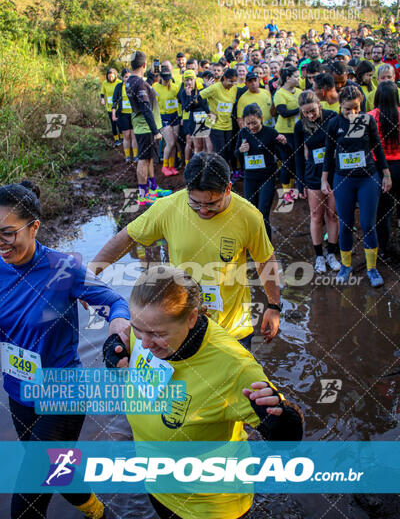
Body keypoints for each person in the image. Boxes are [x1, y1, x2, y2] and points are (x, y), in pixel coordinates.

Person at [109, 265, 303, 519]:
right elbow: (129, 336)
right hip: (156, 485)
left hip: (209, 506)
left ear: (191, 318)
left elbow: (289, 439)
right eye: (139, 329)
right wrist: (114, 344)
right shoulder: (147, 331)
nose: (144, 343)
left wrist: (279, 418)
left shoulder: (233, 366)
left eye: (157, 334)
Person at [0, 181, 130, 519]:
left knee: (27, 500)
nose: (1, 243)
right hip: (18, 393)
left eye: (8, 233)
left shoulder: (64, 269)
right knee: (56, 467)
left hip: (62, 392)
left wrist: (117, 331)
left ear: (35, 227)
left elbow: (115, 302)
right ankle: (101, 514)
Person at [90, 153, 282, 349]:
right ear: (187, 190)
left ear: (228, 189)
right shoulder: (168, 207)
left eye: (211, 204)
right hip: (182, 326)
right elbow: (128, 237)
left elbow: (265, 259)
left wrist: (274, 306)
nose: (203, 211)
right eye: (195, 204)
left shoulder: (248, 216)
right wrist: (89, 273)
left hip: (233, 330)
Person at [321, 85, 392, 287]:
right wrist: (324, 179)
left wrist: (386, 174)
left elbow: (377, 146)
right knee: (345, 224)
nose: (352, 113)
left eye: (356, 108)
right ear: (340, 106)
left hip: (368, 177)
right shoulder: (334, 124)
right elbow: (328, 153)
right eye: (347, 109)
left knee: (368, 224)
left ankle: (372, 268)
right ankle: (345, 265)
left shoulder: (368, 120)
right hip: (343, 179)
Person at [294, 91, 340, 273]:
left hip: (335, 172)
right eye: (306, 112)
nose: (310, 115)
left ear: (319, 104)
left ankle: (332, 252)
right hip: (313, 174)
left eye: (312, 110)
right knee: (315, 215)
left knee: (332, 214)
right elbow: (298, 155)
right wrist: (300, 182)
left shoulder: (332, 117)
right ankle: (319, 255)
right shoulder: (300, 127)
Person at [235, 103, 287, 240]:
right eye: (248, 124)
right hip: (250, 178)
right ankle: (253, 245)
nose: (251, 127)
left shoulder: (270, 133)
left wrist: (284, 143)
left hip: (267, 178)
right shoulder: (243, 133)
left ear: (261, 118)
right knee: (250, 213)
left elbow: (286, 153)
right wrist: (240, 150)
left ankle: (267, 248)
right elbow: (235, 154)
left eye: (254, 123)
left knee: (263, 213)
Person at [125, 51, 170, 206]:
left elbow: (145, 90)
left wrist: (150, 77)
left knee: (149, 158)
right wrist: (156, 131)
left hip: (141, 126)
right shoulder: (140, 84)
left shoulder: (131, 81)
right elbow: (145, 108)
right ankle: (143, 194)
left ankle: (152, 188)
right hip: (145, 128)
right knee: (143, 160)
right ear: (144, 65)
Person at [368, 81, 400, 257]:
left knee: (383, 211)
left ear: (377, 97)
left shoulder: (370, 116)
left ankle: (384, 249)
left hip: (379, 168)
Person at [199, 68, 239, 162]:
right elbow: (198, 98)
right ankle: (219, 173)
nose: (232, 84)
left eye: (234, 82)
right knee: (220, 152)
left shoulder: (234, 89)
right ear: (224, 78)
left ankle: (225, 172)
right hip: (215, 123)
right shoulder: (215, 87)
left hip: (227, 124)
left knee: (228, 151)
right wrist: (208, 111)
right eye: (230, 81)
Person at [273, 66, 302, 192]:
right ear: (288, 78)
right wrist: (301, 109)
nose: (298, 78)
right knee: (287, 161)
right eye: (296, 76)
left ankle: (296, 186)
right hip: (284, 132)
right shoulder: (279, 93)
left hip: (298, 131)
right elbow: (283, 112)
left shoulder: (300, 92)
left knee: (297, 160)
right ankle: (286, 191)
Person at [153, 65, 180, 177]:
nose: (167, 80)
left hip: (175, 116)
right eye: (164, 78)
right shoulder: (156, 87)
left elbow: (179, 101)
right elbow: (154, 106)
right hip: (163, 117)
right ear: (160, 77)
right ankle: (164, 166)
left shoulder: (174, 87)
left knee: (174, 143)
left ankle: (171, 165)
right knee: (170, 142)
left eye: (168, 78)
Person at [178, 69, 212, 160]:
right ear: (184, 80)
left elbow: (204, 103)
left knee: (205, 147)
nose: (189, 82)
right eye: (187, 80)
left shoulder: (201, 88)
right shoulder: (184, 92)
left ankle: (204, 168)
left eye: (191, 79)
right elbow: (186, 108)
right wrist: (189, 95)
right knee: (197, 147)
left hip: (203, 119)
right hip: (193, 120)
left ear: (195, 79)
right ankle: (195, 168)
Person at [111, 68, 138, 162]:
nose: (128, 79)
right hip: (123, 115)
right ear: (122, 78)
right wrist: (113, 114)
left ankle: (135, 155)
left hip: (134, 114)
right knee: (126, 136)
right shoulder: (118, 87)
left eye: (129, 77)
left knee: (134, 135)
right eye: (126, 77)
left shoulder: (134, 86)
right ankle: (127, 156)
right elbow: (114, 101)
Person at [100, 68, 122, 147]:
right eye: (109, 77)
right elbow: (102, 94)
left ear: (115, 75)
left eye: (112, 77)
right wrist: (102, 100)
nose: (111, 78)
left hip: (119, 107)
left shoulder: (119, 82)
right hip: (110, 107)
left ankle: (122, 138)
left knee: (120, 124)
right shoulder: (105, 83)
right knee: (113, 124)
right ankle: (116, 140)